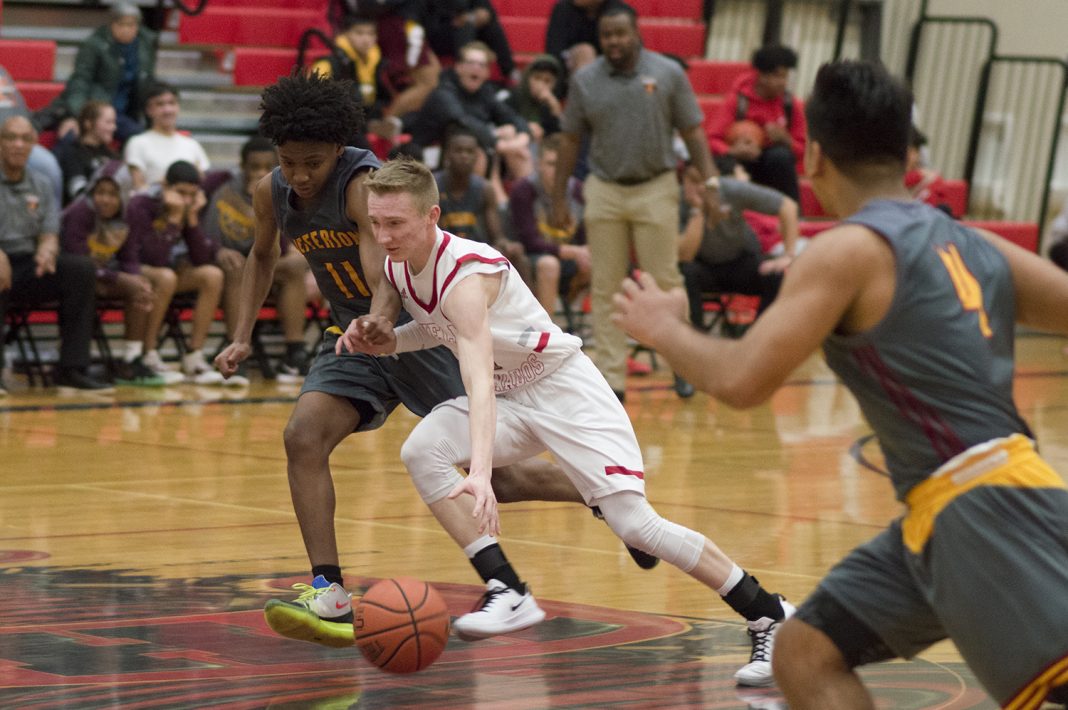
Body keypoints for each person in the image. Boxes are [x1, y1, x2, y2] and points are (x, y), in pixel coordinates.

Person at [612, 60, 1068, 709]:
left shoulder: (847, 250)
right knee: (805, 650)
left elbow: (743, 382)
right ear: (907, 153)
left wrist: (664, 329)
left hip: (982, 513)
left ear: (814, 155)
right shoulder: (974, 243)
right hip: (949, 511)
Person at [337, 156, 794, 687]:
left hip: (564, 391)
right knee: (422, 451)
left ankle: (770, 614)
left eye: (395, 223)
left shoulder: (465, 274)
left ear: (432, 215)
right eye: (375, 222)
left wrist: (481, 470)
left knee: (636, 525)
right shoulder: (398, 266)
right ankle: (508, 589)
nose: (383, 234)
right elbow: (435, 329)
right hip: (514, 396)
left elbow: (476, 374)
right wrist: (391, 339)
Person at [212, 72, 627, 653]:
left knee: (499, 481)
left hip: (415, 329)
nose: (300, 176)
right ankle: (329, 589)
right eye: (289, 162)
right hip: (351, 337)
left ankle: (606, 492)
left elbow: (383, 263)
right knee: (303, 437)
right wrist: (240, 335)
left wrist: (382, 317)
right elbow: (260, 256)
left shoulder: (361, 187)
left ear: (338, 148)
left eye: (312, 163)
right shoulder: (271, 190)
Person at [548, 5, 720, 402]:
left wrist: (710, 182)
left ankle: (683, 364)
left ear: (636, 32)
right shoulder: (586, 80)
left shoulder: (667, 73)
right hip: (605, 188)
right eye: (607, 35)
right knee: (606, 285)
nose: (613, 42)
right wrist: (559, 198)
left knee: (664, 282)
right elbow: (570, 140)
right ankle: (612, 380)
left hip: (656, 186)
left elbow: (693, 132)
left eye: (621, 34)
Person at [0, 115, 113, 393]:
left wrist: (47, 249)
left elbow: (50, 231)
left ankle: (71, 368)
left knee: (80, 269)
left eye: (25, 139)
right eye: (10, 138)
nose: (18, 144)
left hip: (27, 266)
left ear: (34, 146)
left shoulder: (42, 183)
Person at [204, 135, 309, 384]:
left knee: (295, 265)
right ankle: (236, 348)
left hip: (264, 265)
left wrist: (266, 206)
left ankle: (295, 350)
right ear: (242, 168)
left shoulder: (282, 191)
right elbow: (205, 237)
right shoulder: (223, 191)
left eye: (267, 167)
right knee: (237, 267)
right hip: (229, 264)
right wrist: (218, 251)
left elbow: (279, 249)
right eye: (254, 167)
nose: (261, 172)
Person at [60, 160, 162, 386]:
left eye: (112, 194)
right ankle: (76, 366)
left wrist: (136, 280)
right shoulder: (80, 212)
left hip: (100, 274)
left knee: (141, 285)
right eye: (99, 192)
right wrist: (121, 278)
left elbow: (129, 257)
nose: (104, 199)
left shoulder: (129, 215)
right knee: (122, 283)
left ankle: (131, 358)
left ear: (124, 195)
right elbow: (79, 261)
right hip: (71, 277)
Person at [126, 160, 224, 385]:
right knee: (166, 277)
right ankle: (149, 354)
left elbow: (201, 257)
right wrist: (173, 219)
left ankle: (194, 357)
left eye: (192, 194)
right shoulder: (141, 204)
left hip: (166, 273)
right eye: (180, 192)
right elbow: (152, 258)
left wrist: (190, 220)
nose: (186, 200)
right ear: (164, 186)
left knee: (212, 275)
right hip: (134, 271)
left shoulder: (188, 207)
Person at [678, 161, 798, 328]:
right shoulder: (676, 201)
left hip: (739, 261)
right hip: (702, 268)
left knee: (776, 275)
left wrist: (788, 254)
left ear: (716, 180)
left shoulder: (730, 189)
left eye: (704, 181)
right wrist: (697, 211)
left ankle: (757, 338)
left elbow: (788, 206)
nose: (699, 188)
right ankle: (693, 341)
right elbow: (685, 256)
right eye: (692, 181)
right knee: (684, 273)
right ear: (682, 179)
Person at [405, 41, 532, 178]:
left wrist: (523, 135)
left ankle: (524, 195)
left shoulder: (485, 93)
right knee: (472, 147)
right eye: (471, 63)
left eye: (481, 65)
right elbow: (462, 121)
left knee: (512, 137)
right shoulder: (443, 93)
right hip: (426, 156)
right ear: (459, 67)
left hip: (473, 153)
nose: (476, 68)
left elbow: (511, 116)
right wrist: (497, 142)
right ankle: (490, 195)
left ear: (487, 73)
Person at [40, 2, 157, 143]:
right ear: (111, 24)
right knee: (71, 135)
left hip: (128, 110)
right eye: (121, 25)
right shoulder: (94, 45)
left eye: (131, 25)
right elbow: (80, 81)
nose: (126, 30)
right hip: (97, 106)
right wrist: (79, 114)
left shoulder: (145, 45)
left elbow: (148, 82)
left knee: (144, 137)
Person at [707, 44, 806, 201]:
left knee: (780, 156)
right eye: (777, 76)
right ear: (761, 75)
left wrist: (786, 140)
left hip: (772, 167)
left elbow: (803, 150)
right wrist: (732, 150)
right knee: (724, 162)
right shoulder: (738, 101)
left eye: (785, 77)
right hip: (741, 163)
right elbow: (711, 139)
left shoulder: (790, 104)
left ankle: (793, 213)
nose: (782, 82)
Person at [434, 127, 530, 281]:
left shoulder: (485, 188)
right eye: (458, 151)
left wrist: (507, 245)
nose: (464, 156)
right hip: (444, 253)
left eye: (470, 151)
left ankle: (528, 305)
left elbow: (497, 236)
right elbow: (432, 237)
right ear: (447, 155)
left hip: (477, 252)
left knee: (519, 257)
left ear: (476, 156)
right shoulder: (434, 186)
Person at [509, 133, 590, 314]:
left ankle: (585, 320)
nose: (559, 169)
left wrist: (585, 253)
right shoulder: (523, 190)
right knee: (549, 264)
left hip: (568, 259)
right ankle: (548, 334)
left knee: (599, 261)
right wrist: (574, 252)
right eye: (552, 164)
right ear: (538, 165)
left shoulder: (578, 190)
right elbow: (530, 242)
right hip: (529, 260)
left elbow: (585, 238)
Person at [123, 82, 210, 191]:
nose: (167, 110)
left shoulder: (192, 144)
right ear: (149, 110)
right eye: (160, 104)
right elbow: (138, 187)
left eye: (172, 103)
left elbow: (203, 183)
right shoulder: (137, 143)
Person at [421, 0, 516, 82]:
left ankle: (510, 71)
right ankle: (463, 76)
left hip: (465, 27)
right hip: (435, 33)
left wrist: (470, 17)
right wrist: (469, 18)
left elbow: (486, 13)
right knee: (466, 27)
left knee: (491, 27)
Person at [545, 0, 634, 78]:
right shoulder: (563, 9)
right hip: (569, 74)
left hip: (613, 67)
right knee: (585, 52)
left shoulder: (620, 13)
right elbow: (553, 51)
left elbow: (635, 48)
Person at [55, 100, 119, 205]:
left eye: (114, 122)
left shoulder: (113, 155)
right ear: (88, 124)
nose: (113, 127)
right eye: (108, 122)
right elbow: (78, 192)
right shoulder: (72, 152)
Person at [503, 54, 565, 144]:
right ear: (527, 77)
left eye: (547, 81)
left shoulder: (550, 104)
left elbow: (559, 135)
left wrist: (555, 108)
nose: (540, 85)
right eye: (537, 78)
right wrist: (525, 127)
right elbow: (500, 119)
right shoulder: (512, 96)